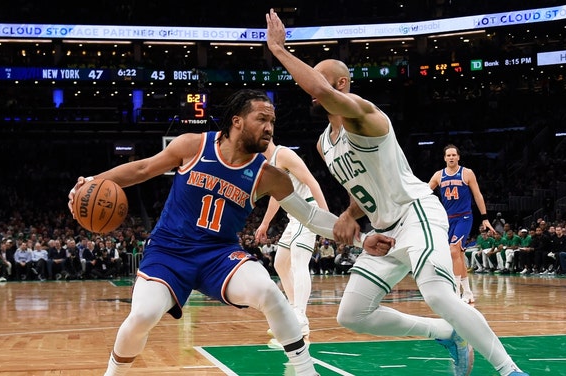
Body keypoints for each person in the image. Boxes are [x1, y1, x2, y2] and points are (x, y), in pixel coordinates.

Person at [265, 9, 528, 376]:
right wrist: (346, 215)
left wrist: (278, 49)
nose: (308, 91)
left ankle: (510, 370)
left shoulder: (366, 115)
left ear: (340, 84)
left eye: (320, 81)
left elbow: (317, 88)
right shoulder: (324, 144)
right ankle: (445, 333)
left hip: (416, 212)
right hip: (384, 230)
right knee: (352, 313)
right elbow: (364, 191)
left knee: (437, 293)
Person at [67, 89, 389, 376]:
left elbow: (309, 215)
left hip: (218, 255)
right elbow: (140, 169)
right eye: (261, 119)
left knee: (267, 289)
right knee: (143, 315)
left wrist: (361, 238)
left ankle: (306, 371)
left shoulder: (269, 176)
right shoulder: (194, 145)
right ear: (236, 121)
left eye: (272, 122)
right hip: (169, 252)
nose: (269, 127)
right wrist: (92, 182)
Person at [255, 139, 329, 343]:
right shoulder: (269, 164)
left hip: (307, 212)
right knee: (280, 263)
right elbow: (276, 198)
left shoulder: (284, 154)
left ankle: (299, 318)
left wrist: (325, 215)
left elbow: (311, 181)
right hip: (293, 218)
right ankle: (296, 314)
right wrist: (264, 223)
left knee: (298, 262)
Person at [428, 144, 496, 303]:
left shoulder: (467, 173)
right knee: (458, 255)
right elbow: (424, 192)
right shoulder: (438, 175)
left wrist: (485, 218)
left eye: (454, 155)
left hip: (464, 217)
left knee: (453, 251)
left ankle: (454, 291)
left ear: (458, 157)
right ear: (444, 158)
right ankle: (468, 293)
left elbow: (478, 196)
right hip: (447, 219)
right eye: (448, 155)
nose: (451, 157)